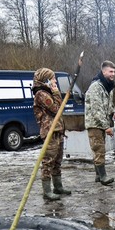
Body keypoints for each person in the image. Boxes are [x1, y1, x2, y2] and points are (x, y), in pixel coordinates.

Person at [33, 68, 70, 201]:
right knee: (48, 161)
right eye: (52, 78)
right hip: (50, 131)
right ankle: (47, 191)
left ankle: (58, 186)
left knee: (57, 161)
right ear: (46, 80)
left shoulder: (47, 92)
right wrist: (56, 92)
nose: (55, 81)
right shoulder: (41, 94)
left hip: (58, 130)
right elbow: (56, 108)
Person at [84, 60, 115, 186]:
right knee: (99, 149)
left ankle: (98, 175)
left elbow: (107, 105)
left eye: (114, 71)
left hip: (101, 123)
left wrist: (114, 111)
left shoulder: (107, 86)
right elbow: (96, 108)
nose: (113, 74)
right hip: (95, 124)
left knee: (98, 149)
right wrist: (106, 127)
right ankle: (103, 176)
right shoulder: (95, 87)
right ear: (103, 71)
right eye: (110, 71)